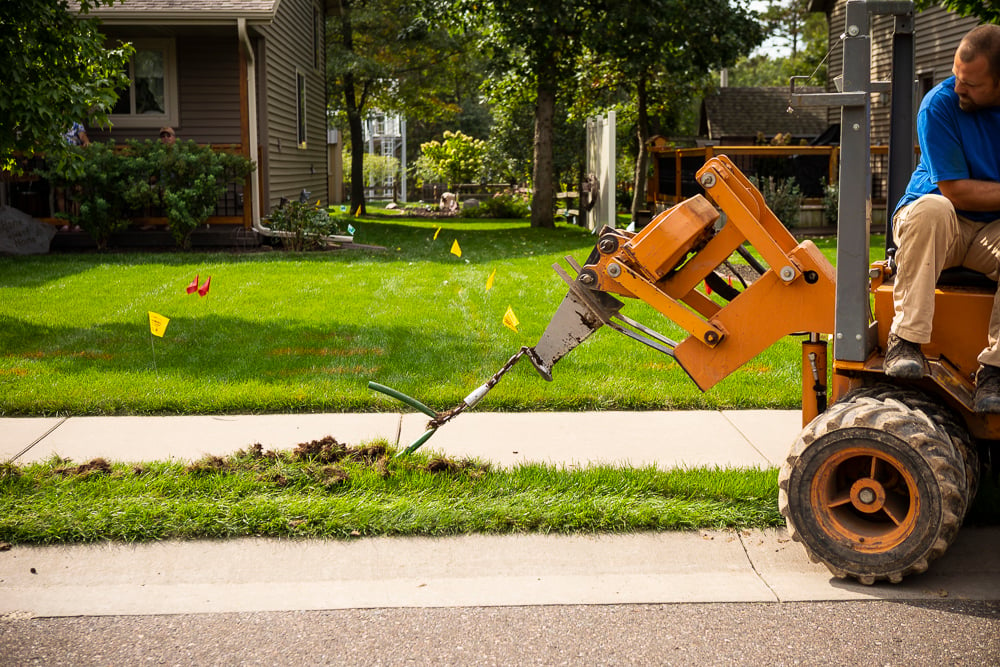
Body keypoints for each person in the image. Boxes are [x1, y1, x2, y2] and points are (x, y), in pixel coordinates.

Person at [884, 24, 1000, 412]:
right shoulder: (938, 104)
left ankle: (995, 372)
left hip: (991, 231)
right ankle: (906, 341)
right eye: (956, 75)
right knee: (934, 209)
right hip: (937, 225)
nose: (958, 88)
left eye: (970, 83)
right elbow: (956, 190)